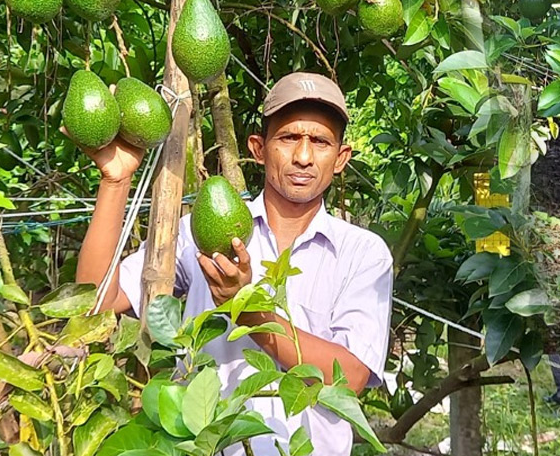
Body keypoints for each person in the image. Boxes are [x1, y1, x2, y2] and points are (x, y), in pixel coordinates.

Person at [71, 72, 393, 456]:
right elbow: (94, 304)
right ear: (258, 148)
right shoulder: (198, 231)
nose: (303, 157)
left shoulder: (364, 253)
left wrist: (246, 310)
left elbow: (350, 378)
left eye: (320, 142)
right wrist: (115, 181)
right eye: (289, 138)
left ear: (341, 158)